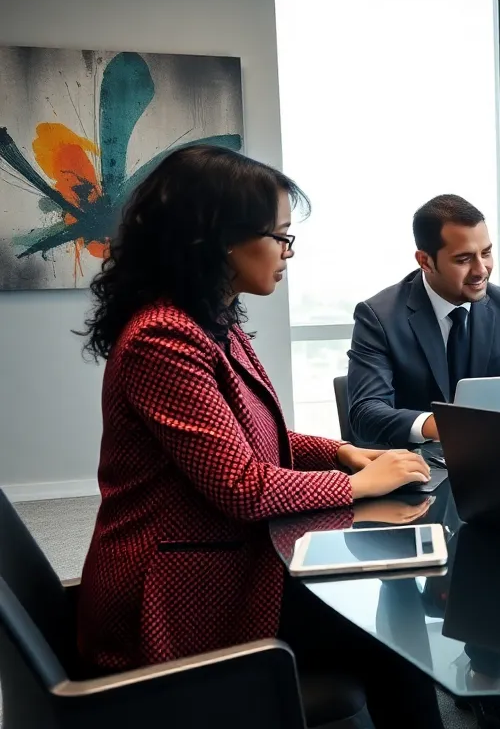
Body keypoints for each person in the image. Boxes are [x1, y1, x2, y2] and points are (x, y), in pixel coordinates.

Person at [73, 145, 446, 729]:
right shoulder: (164, 340)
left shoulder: (211, 320)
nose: (287, 252)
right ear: (220, 239)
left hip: (220, 559)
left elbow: (254, 434)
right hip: (174, 596)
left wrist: (343, 452)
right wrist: (355, 483)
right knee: (392, 641)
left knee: (389, 628)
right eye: (280, 237)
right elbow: (242, 485)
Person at [347, 194, 500, 448]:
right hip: (414, 464)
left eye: (486, 253)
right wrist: (444, 426)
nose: (481, 269)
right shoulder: (379, 316)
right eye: (464, 259)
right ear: (425, 261)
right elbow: (366, 413)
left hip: (495, 458)